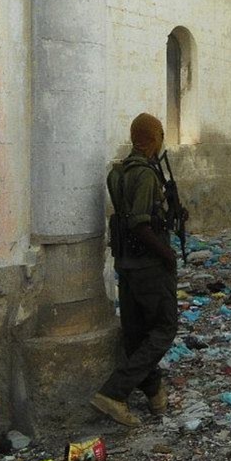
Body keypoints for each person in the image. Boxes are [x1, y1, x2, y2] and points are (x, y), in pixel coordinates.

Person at [91, 113, 186, 427]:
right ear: (153, 139)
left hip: (127, 264)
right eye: (159, 136)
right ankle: (113, 393)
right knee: (164, 328)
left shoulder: (117, 173)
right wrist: (167, 254)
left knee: (136, 334)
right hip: (148, 265)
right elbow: (140, 224)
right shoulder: (145, 174)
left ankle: (155, 393)